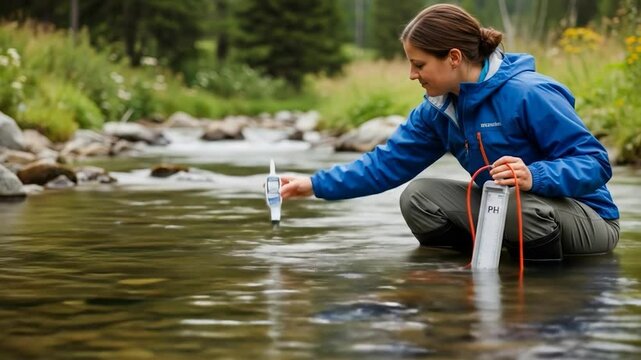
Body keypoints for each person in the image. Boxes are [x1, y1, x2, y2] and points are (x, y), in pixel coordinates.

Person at [279, 3, 619, 261]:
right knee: (419, 198)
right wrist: (313, 184)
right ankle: (464, 276)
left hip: (588, 220)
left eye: (419, 64)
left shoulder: (529, 93)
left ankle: (539, 287)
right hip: (508, 215)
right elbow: (385, 164)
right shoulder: (437, 110)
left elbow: (595, 163)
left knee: (518, 207)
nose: (412, 75)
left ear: (453, 57)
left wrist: (534, 175)